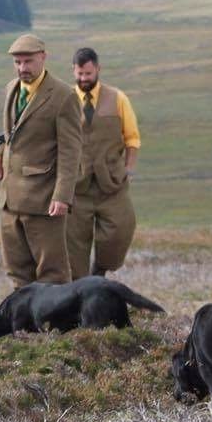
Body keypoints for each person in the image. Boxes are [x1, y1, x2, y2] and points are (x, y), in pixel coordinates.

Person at [0, 33, 83, 287]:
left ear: (43, 57)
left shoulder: (63, 96)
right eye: (17, 63)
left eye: (28, 62)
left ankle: (58, 324)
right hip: (8, 197)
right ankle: (24, 324)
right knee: (17, 271)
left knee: (52, 272)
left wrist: (62, 196)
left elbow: (71, 152)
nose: (22, 68)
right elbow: (11, 135)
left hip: (43, 199)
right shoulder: (11, 89)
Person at [66, 48, 141, 281]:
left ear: (98, 69)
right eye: (80, 74)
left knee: (121, 228)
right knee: (73, 240)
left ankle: (100, 269)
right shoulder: (63, 100)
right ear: (73, 71)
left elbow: (132, 138)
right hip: (75, 185)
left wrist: (128, 168)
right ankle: (79, 287)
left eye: (88, 73)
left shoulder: (118, 98)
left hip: (112, 181)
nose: (84, 79)